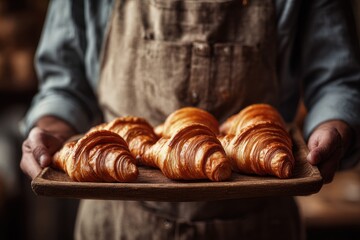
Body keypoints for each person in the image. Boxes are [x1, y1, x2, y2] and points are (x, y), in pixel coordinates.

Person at [20, 0, 360, 239]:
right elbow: (64, 84)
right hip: (118, 225)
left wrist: (334, 125)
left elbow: (338, 79)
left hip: (258, 223)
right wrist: (52, 130)